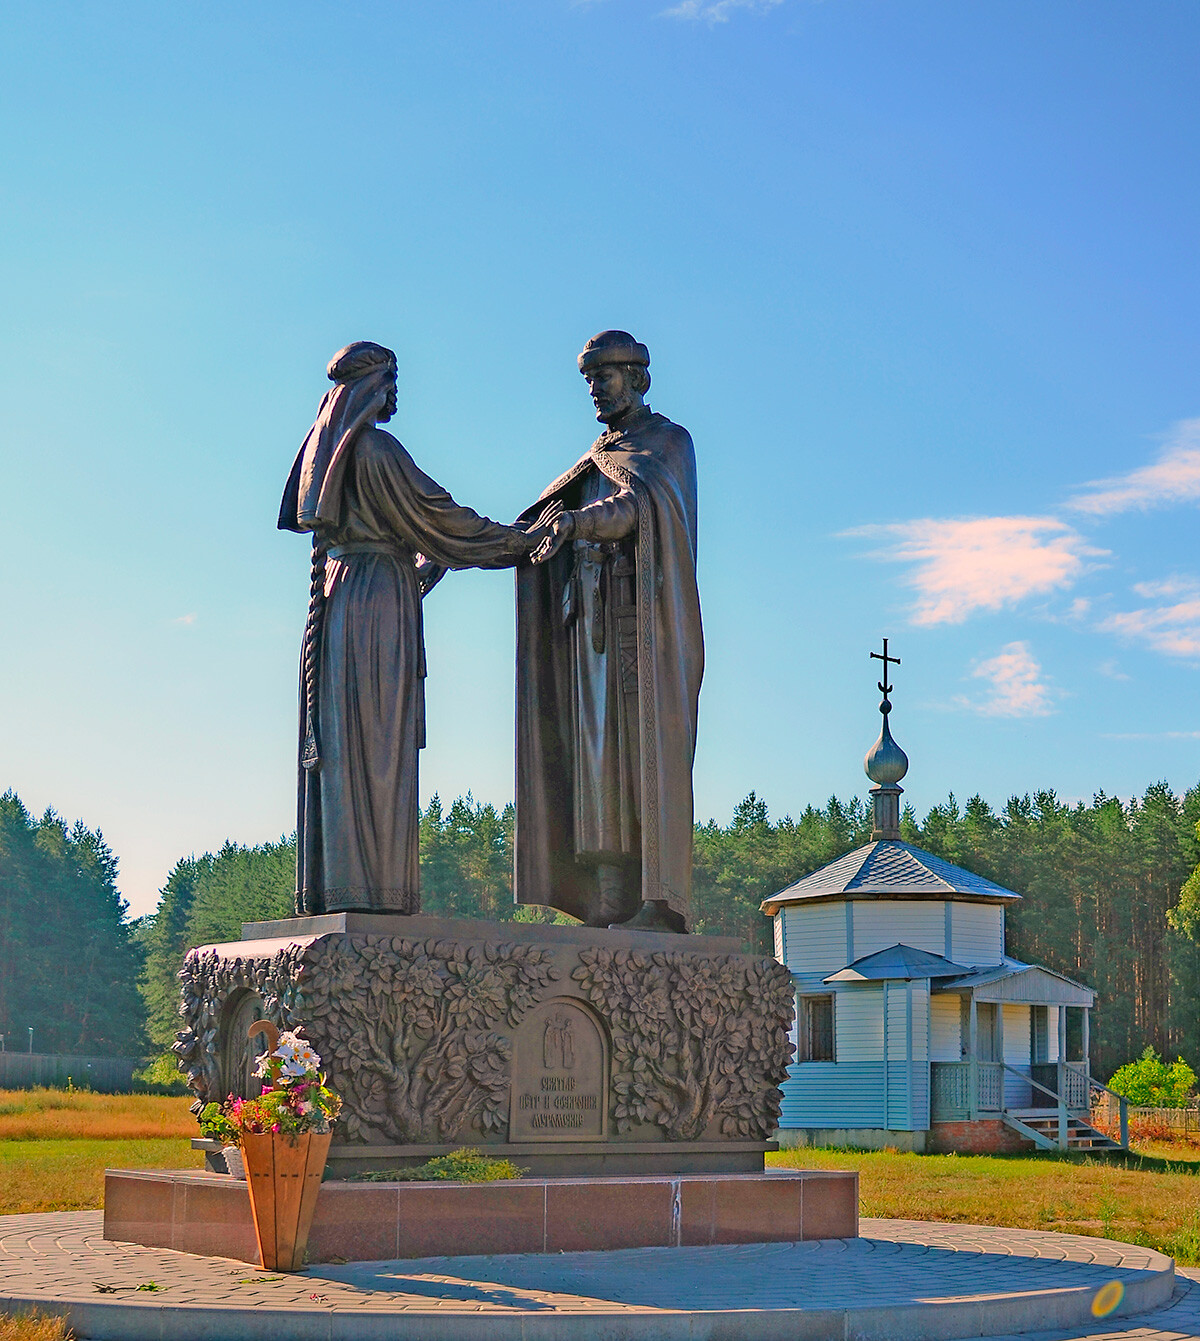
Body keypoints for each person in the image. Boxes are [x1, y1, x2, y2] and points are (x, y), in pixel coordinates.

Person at [279, 341, 544, 915]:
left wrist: (428, 559)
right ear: (373, 385)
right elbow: (440, 517)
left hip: (343, 602)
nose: (397, 390)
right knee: (376, 746)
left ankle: (338, 889)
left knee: (347, 743)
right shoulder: (375, 449)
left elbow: (424, 534)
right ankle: (375, 895)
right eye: (392, 378)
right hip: (377, 608)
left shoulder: (332, 455)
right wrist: (517, 544)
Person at [515, 331, 704, 933]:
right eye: (589, 379)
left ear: (638, 379)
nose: (596, 389)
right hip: (586, 630)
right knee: (595, 763)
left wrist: (575, 524)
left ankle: (657, 899)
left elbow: (634, 509)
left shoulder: (666, 444)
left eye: (607, 376)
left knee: (637, 755)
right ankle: (608, 893)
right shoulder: (594, 459)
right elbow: (535, 526)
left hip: (636, 627)